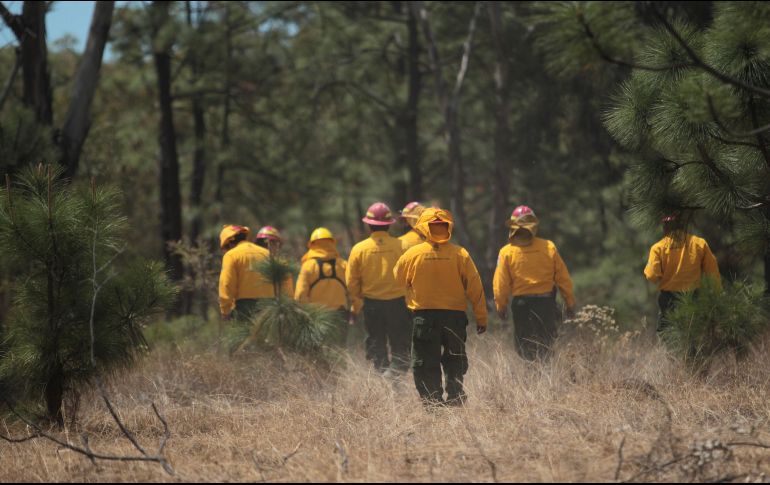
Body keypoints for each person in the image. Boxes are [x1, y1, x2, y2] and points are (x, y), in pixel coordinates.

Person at [394, 208, 487, 407]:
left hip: (424, 317)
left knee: (426, 361)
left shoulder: (412, 254)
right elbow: (476, 287)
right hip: (455, 317)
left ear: (423, 227)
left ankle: (433, 404)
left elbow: (398, 280)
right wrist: (481, 318)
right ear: (448, 227)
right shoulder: (460, 254)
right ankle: (455, 398)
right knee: (455, 359)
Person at [493, 205, 575, 361]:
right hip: (546, 304)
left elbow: (500, 283)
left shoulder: (506, 252)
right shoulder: (548, 247)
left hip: (522, 305)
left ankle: (532, 379)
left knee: (525, 347)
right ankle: (545, 380)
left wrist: (500, 305)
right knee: (547, 345)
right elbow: (563, 278)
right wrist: (569, 303)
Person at [346, 202, 411, 373]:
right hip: (398, 304)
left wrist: (358, 304)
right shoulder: (402, 246)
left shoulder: (358, 249)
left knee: (377, 344)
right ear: (389, 224)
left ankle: (382, 378)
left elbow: (351, 282)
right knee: (400, 344)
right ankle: (396, 379)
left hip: (372, 305)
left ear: (368, 225)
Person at [644, 215, 721, 332]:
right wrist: (717, 296)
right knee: (693, 333)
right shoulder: (700, 244)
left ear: (665, 227)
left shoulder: (658, 248)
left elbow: (651, 276)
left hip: (669, 299)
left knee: (668, 334)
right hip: (693, 297)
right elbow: (712, 273)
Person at [295, 227, 350, 346]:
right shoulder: (343, 265)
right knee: (339, 350)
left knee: (319, 350)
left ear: (312, 245)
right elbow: (353, 290)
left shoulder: (308, 266)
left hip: (317, 316)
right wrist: (355, 309)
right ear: (332, 243)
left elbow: (300, 295)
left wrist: (306, 313)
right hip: (339, 314)